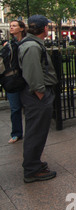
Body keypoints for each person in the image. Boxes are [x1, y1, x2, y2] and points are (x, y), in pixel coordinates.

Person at [18, 15, 58, 182]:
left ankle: (33, 163)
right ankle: (32, 169)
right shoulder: (32, 47)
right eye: (48, 26)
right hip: (37, 96)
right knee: (36, 132)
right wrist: (41, 94)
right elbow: (33, 74)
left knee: (38, 131)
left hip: (37, 95)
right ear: (44, 29)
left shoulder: (32, 44)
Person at [4, 20, 26, 144]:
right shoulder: (8, 45)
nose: (11, 28)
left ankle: (32, 132)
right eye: (10, 26)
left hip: (24, 78)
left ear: (22, 28)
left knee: (29, 107)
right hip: (12, 80)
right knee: (15, 108)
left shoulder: (26, 42)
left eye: (14, 26)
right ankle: (16, 133)